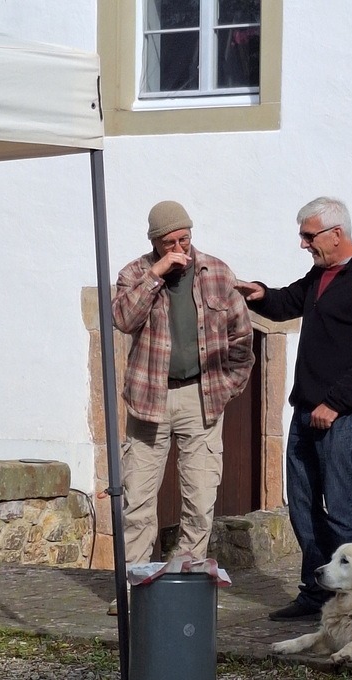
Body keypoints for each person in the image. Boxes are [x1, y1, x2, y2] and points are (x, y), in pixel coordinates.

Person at [236, 196, 352, 621]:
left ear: (336, 234)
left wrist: (335, 404)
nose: (304, 244)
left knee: (342, 510)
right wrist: (260, 295)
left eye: (309, 236)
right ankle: (316, 593)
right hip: (306, 412)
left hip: (343, 418)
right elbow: (289, 302)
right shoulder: (322, 274)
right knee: (303, 508)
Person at [109, 200, 254, 615]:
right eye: (170, 241)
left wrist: (226, 387)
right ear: (154, 242)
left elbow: (242, 340)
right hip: (149, 398)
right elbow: (122, 318)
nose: (180, 247)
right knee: (137, 497)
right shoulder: (135, 274)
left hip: (201, 397)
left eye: (185, 238)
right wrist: (155, 275)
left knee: (199, 496)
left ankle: (182, 586)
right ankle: (135, 592)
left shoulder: (218, 273)